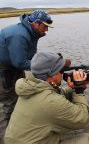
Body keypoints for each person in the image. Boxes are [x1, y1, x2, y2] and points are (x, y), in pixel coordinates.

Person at [4, 52, 89, 144]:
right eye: (61, 71)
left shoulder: (31, 87)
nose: (63, 74)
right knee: (87, 139)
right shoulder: (50, 101)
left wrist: (73, 87)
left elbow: (58, 95)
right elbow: (81, 119)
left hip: (17, 140)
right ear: (50, 75)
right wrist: (79, 91)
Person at [0, 10, 54, 139]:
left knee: (23, 92)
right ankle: (12, 135)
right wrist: (46, 66)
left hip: (12, 66)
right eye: (45, 26)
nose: (47, 30)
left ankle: (23, 124)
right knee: (10, 101)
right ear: (36, 23)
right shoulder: (19, 35)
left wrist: (46, 61)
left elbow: (31, 57)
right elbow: (20, 62)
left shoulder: (31, 32)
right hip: (4, 70)